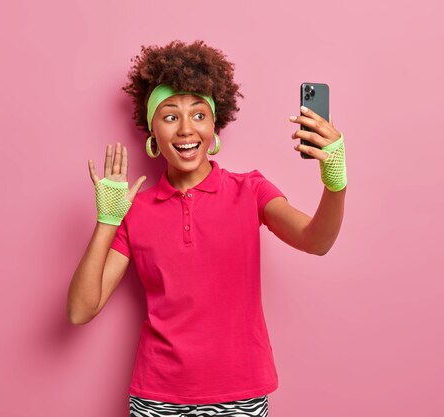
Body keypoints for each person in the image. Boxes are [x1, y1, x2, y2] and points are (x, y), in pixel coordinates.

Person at [67, 40, 347, 417]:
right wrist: (108, 220)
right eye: (170, 116)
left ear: (215, 124)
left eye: (199, 115)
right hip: (157, 398)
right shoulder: (135, 211)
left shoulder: (250, 190)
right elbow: (81, 311)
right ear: (151, 130)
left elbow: (316, 241)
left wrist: (335, 180)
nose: (186, 129)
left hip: (240, 394)